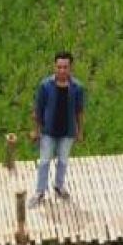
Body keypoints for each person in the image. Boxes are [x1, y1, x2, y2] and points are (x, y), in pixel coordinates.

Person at [29, 51, 85, 207]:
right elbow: (38, 110)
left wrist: (80, 131)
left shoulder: (77, 88)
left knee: (63, 161)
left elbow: (79, 111)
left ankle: (59, 186)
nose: (62, 70)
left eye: (65, 67)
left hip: (67, 132)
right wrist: (36, 130)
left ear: (70, 68)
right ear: (54, 67)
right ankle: (40, 191)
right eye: (59, 67)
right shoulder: (45, 86)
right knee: (44, 162)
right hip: (48, 131)